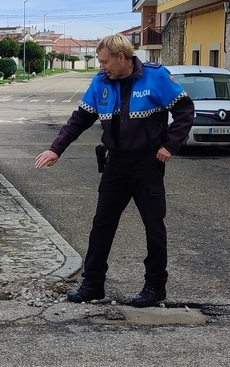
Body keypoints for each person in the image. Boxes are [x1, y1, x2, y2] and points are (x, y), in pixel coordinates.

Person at [35, 34, 194, 307]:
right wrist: (56, 149)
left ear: (122, 57)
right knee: (102, 225)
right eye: (100, 61)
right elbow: (80, 120)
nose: (102, 66)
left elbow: (185, 110)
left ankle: (155, 287)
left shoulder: (155, 77)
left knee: (154, 227)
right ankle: (93, 284)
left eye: (105, 61)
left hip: (147, 165)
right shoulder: (100, 83)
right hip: (116, 164)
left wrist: (170, 145)